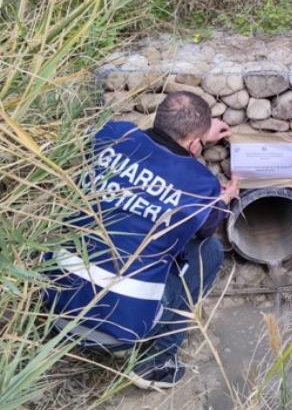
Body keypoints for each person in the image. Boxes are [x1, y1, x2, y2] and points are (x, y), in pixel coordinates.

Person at [44, 91, 240, 389]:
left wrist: (194, 133)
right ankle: (155, 364)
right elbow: (205, 229)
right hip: (117, 332)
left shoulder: (113, 135)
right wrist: (224, 200)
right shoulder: (200, 185)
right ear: (194, 144)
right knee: (209, 251)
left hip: (54, 306)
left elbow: (152, 145)